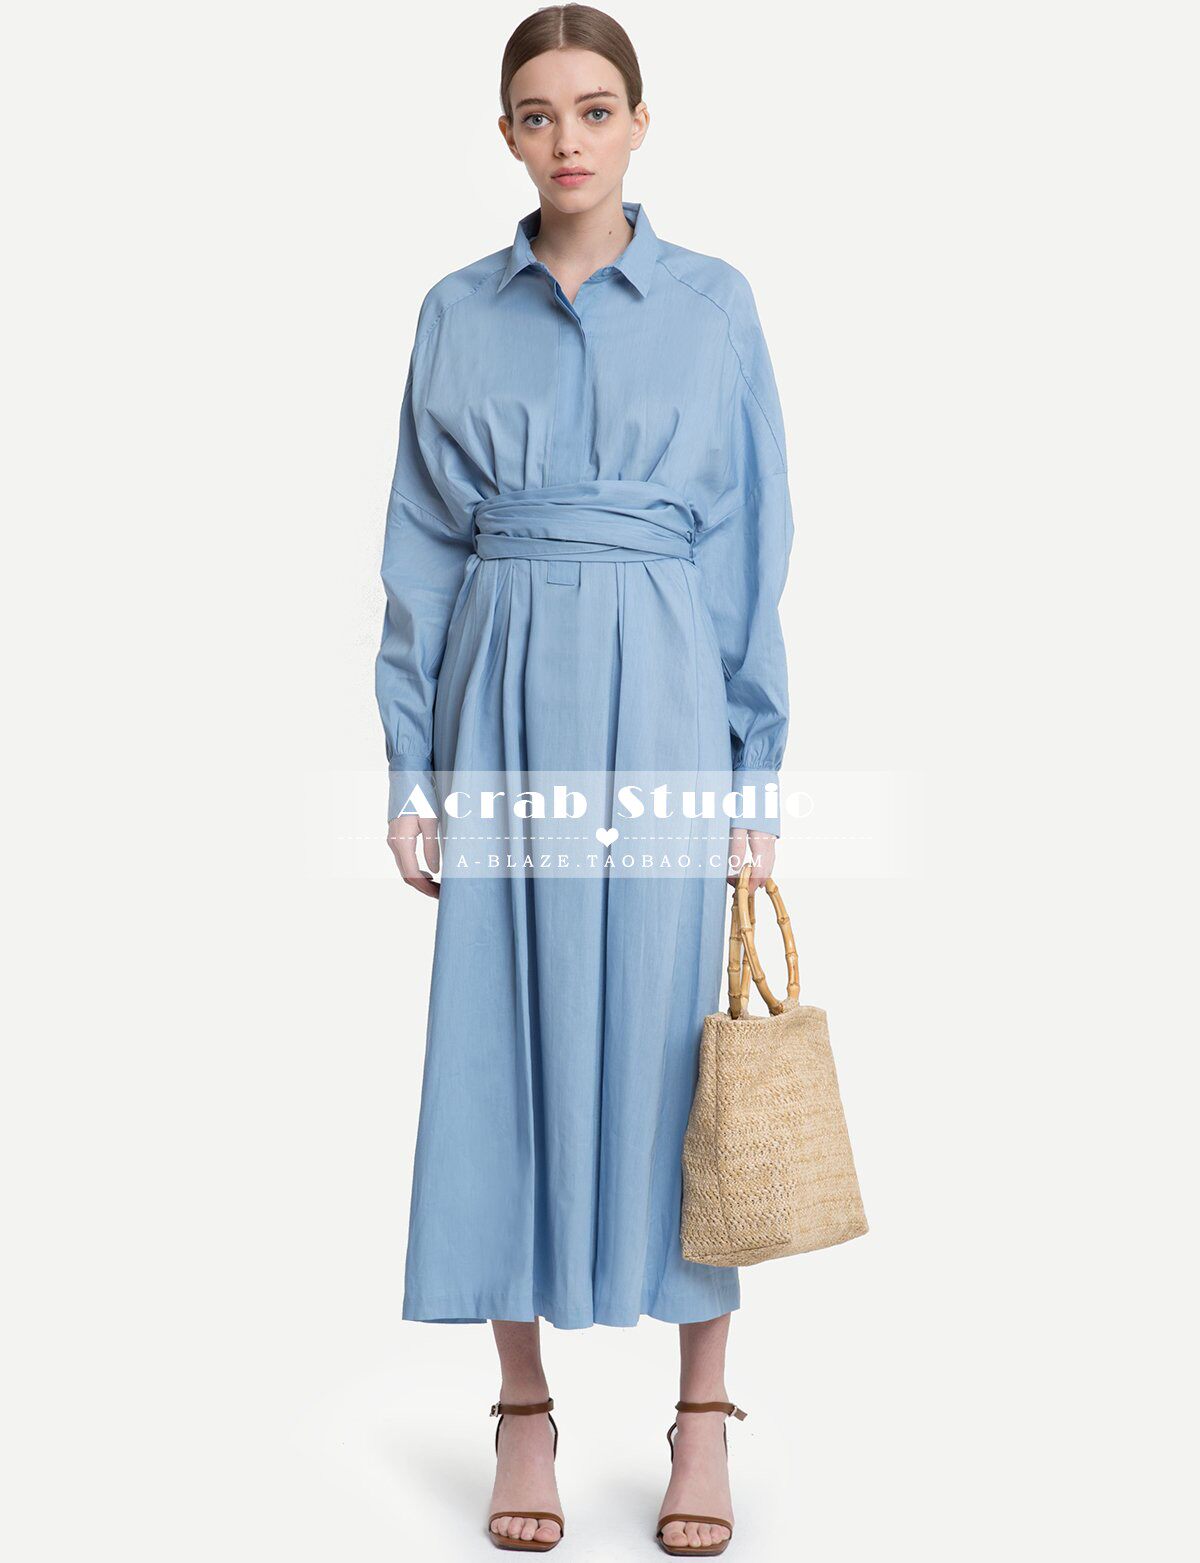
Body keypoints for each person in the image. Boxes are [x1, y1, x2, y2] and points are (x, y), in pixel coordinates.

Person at [374, 6, 793, 1553]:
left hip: (667, 698)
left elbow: (751, 552)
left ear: (638, 124)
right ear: (506, 134)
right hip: (498, 708)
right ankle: (523, 1411)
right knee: (500, 1037)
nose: (568, 139)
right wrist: (410, 765)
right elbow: (419, 551)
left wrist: (755, 773)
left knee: (684, 1054)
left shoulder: (714, 303)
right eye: (539, 113)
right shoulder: (454, 310)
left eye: (596, 109)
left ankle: (704, 1418)